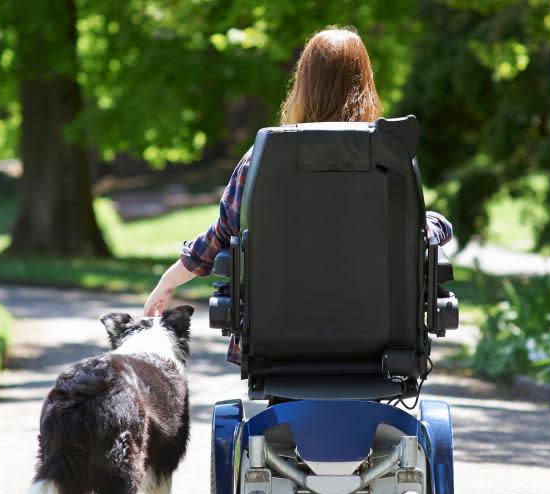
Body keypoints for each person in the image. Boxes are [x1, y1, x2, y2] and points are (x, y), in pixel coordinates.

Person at [142, 26, 453, 363]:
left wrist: (167, 283)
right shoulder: (392, 160)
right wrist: (438, 224)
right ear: (365, 83)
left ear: (303, 84)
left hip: (277, 349)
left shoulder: (264, 158)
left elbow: (221, 237)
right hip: (383, 348)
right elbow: (418, 234)